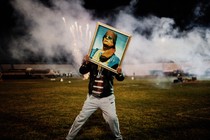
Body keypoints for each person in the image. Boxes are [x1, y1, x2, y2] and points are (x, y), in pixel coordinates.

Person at [66, 31, 125, 139]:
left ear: (114, 43)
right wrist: (86, 62)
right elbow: (82, 71)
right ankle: (69, 138)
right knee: (81, 118)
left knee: (112, 118)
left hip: (107, 97)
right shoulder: (93, 53)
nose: (107, 38)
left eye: (110, 38)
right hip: (92, 97)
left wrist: (120, 73)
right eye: (105, 36)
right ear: (102, 39)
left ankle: (118, 137)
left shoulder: (115, 59)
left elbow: (120, 78)